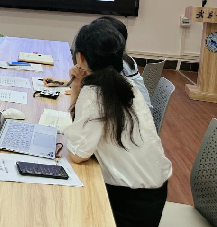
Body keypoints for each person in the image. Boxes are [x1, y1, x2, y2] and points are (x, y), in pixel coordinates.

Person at [63, 22, 172, 227]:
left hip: (128, 204)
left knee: (65, 204)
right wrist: (77, 84)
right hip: (153, 195)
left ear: (81, 57)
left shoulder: (94, 92)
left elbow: (78, 154)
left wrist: (78, 86)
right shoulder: (127, 85)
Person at [45, 16, 152, 109]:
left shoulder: (117, 66)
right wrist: (63, 82)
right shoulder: (119, 60)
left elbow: (87, 107)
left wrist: (78, 90)